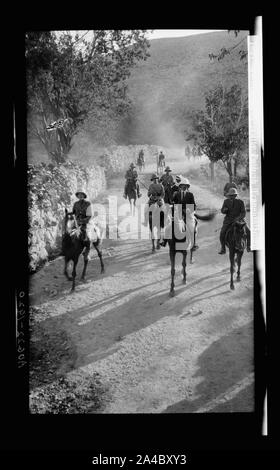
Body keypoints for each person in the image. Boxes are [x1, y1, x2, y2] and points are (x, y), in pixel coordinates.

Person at [218, 187, 251, 254]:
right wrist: (224, 210)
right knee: (222, 232)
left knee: (248, 231)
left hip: (239, 220)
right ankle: (223, 248)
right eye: (230, 196)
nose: (231, 197)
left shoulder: (240, 202)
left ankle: (248, 246)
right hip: (228, 221)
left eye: (233, 195)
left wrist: (238, 218)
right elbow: (222, 211)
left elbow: (243, 213)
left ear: (236, 195)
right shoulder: (226, 201)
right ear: (228, 196)